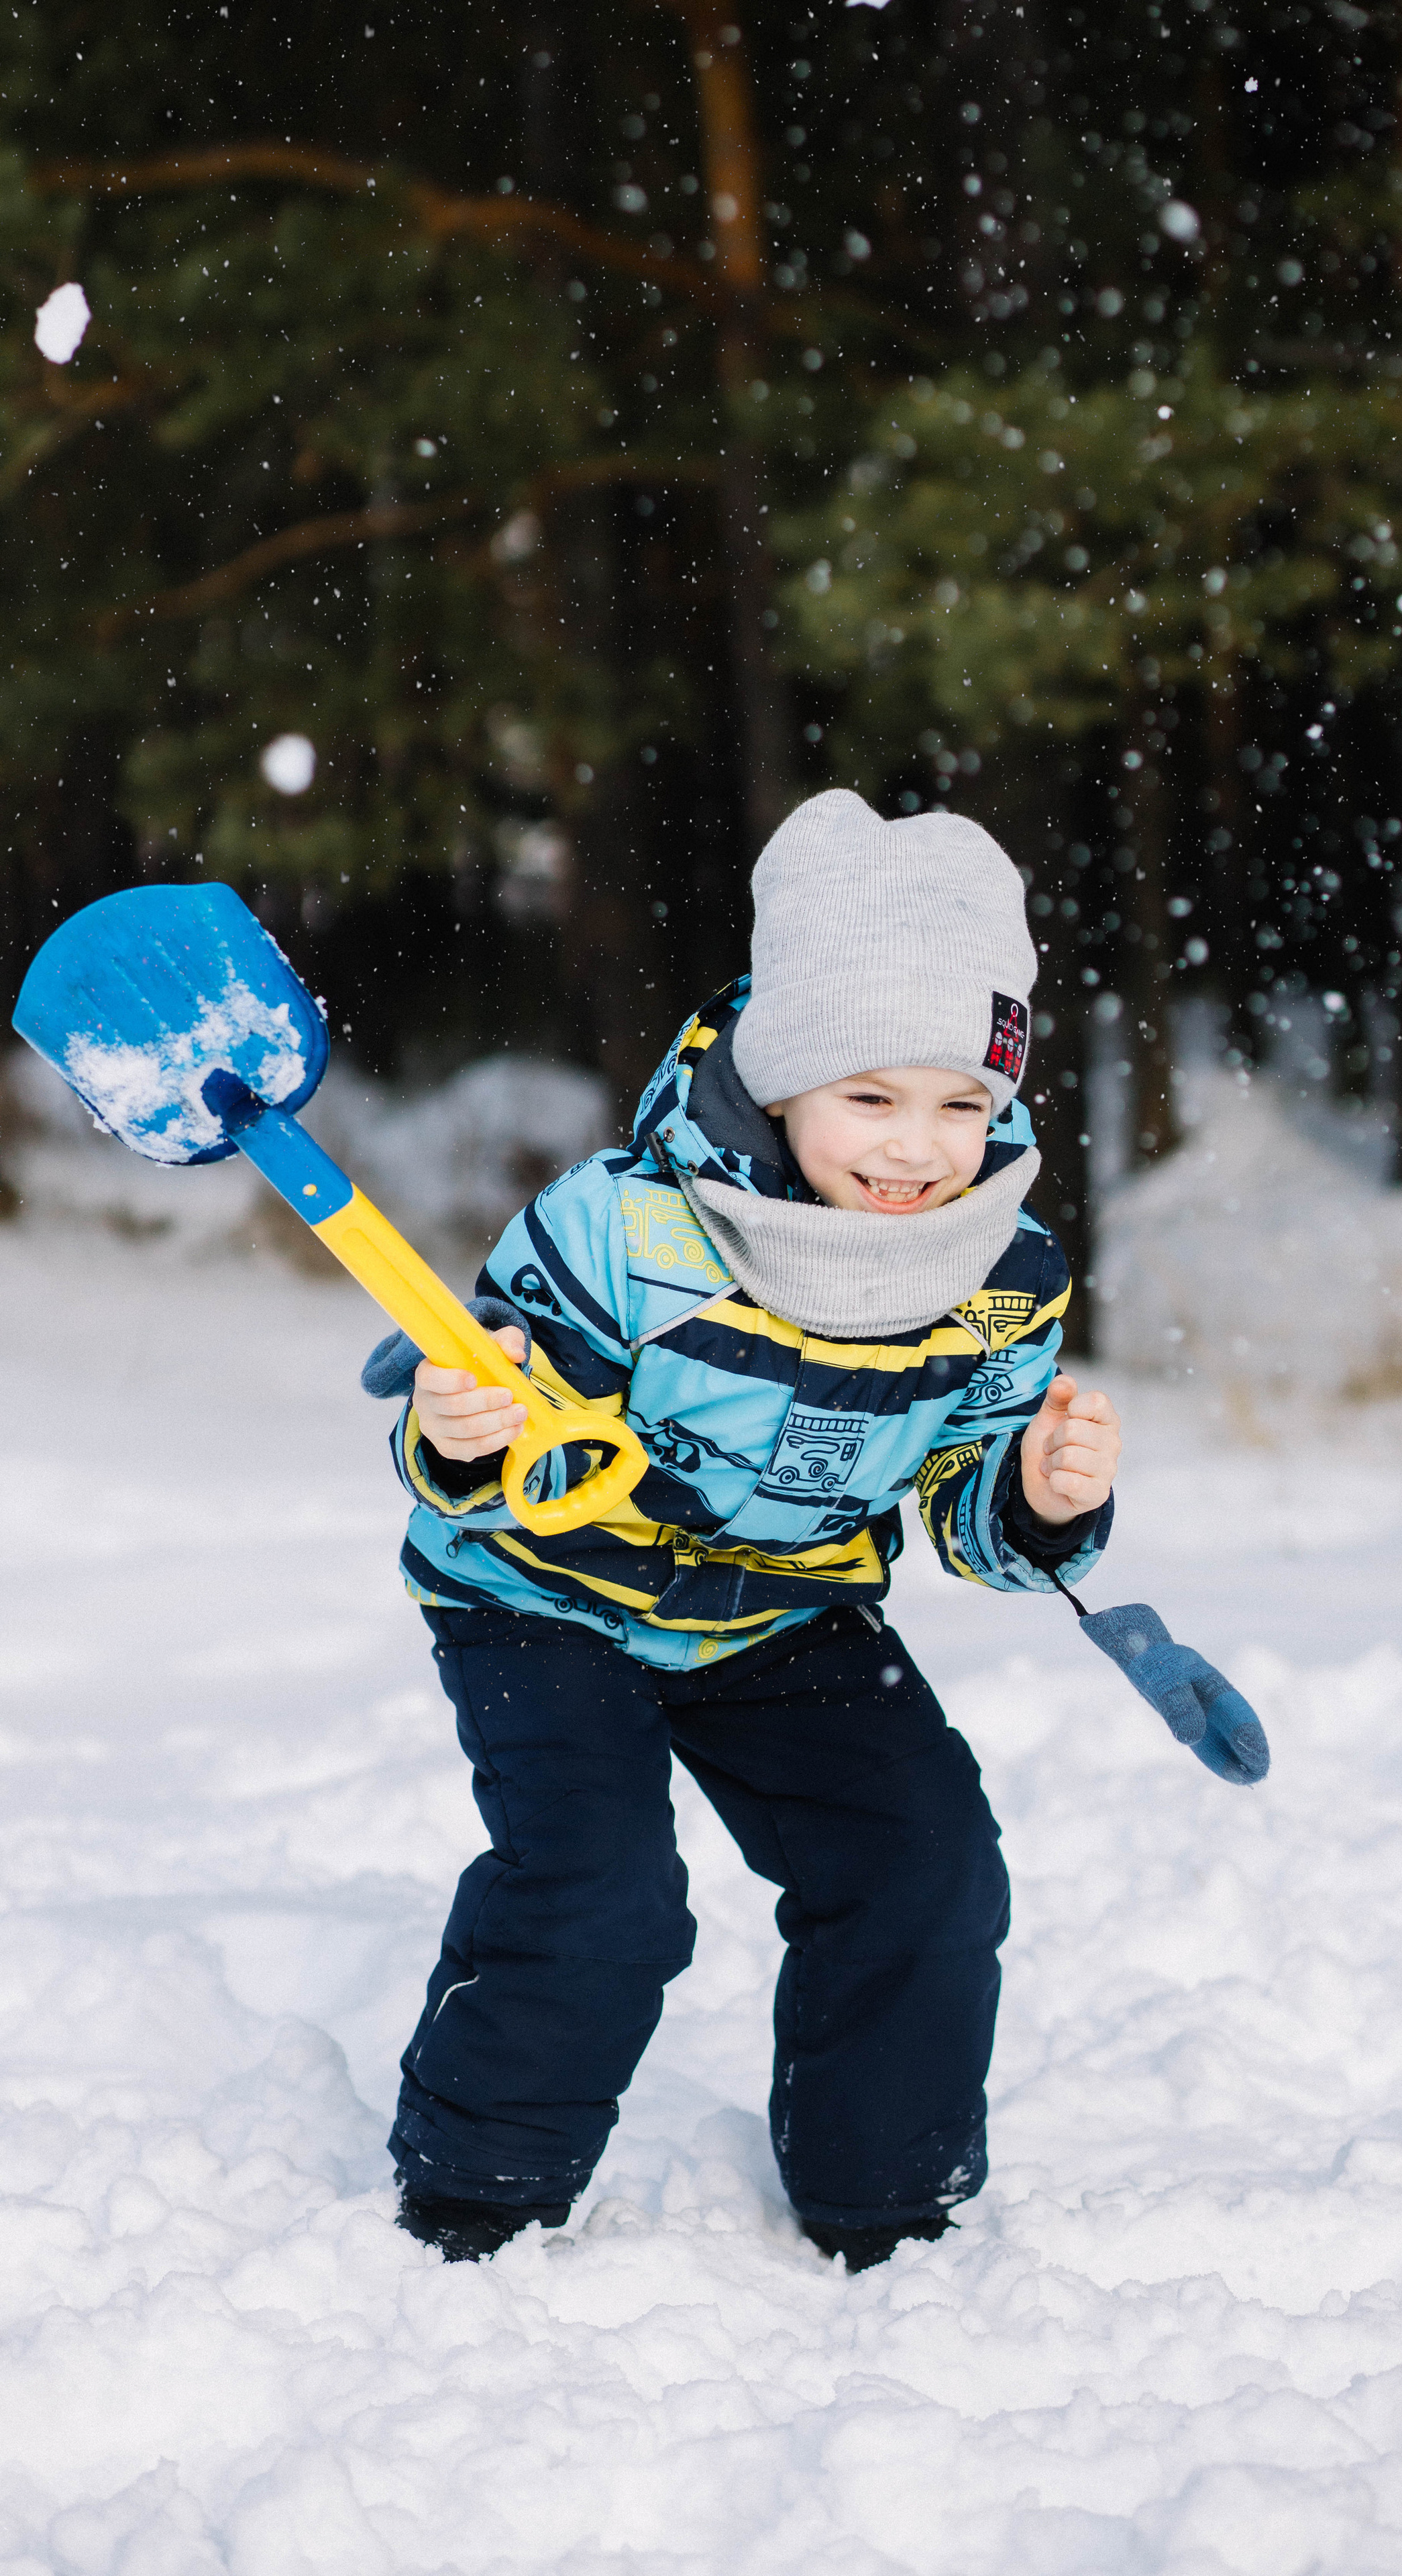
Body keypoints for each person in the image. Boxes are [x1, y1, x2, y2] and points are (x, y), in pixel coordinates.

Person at [367, 788, 1120, 2271]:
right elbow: (484, 1426)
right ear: (781, 1080)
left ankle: (882, 2201)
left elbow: (964, 1514)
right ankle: (475, 2198)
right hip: (544, 1598)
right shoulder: (626, 1228)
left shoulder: (1001, 1271)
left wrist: (1037, 1497)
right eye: (871, 1098)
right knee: (602, 1893)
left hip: (783, 1608)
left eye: (960, 1104)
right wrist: (458, 1431)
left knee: (925, 1863)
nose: (917, 1150)